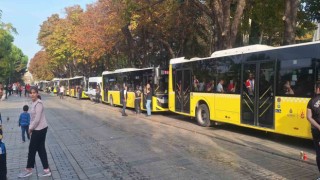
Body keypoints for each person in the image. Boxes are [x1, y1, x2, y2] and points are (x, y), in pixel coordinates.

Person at [18, 87, 51, 178]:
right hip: (39, 129)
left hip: (39, 129)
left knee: (32, 150)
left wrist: (30, 129)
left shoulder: (39, 104)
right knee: (41, 149)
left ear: (37, 93)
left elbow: (36, 119)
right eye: (31, 93)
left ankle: (28, 169)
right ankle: (46, 170)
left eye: (34, 93)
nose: (32, 94)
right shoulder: (34, 103)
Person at [307, 83, 320, 175]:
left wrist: (319, 127)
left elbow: (309, 117)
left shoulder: (311, 101)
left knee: (319, 154)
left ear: (318, 89)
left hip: (316, 131)